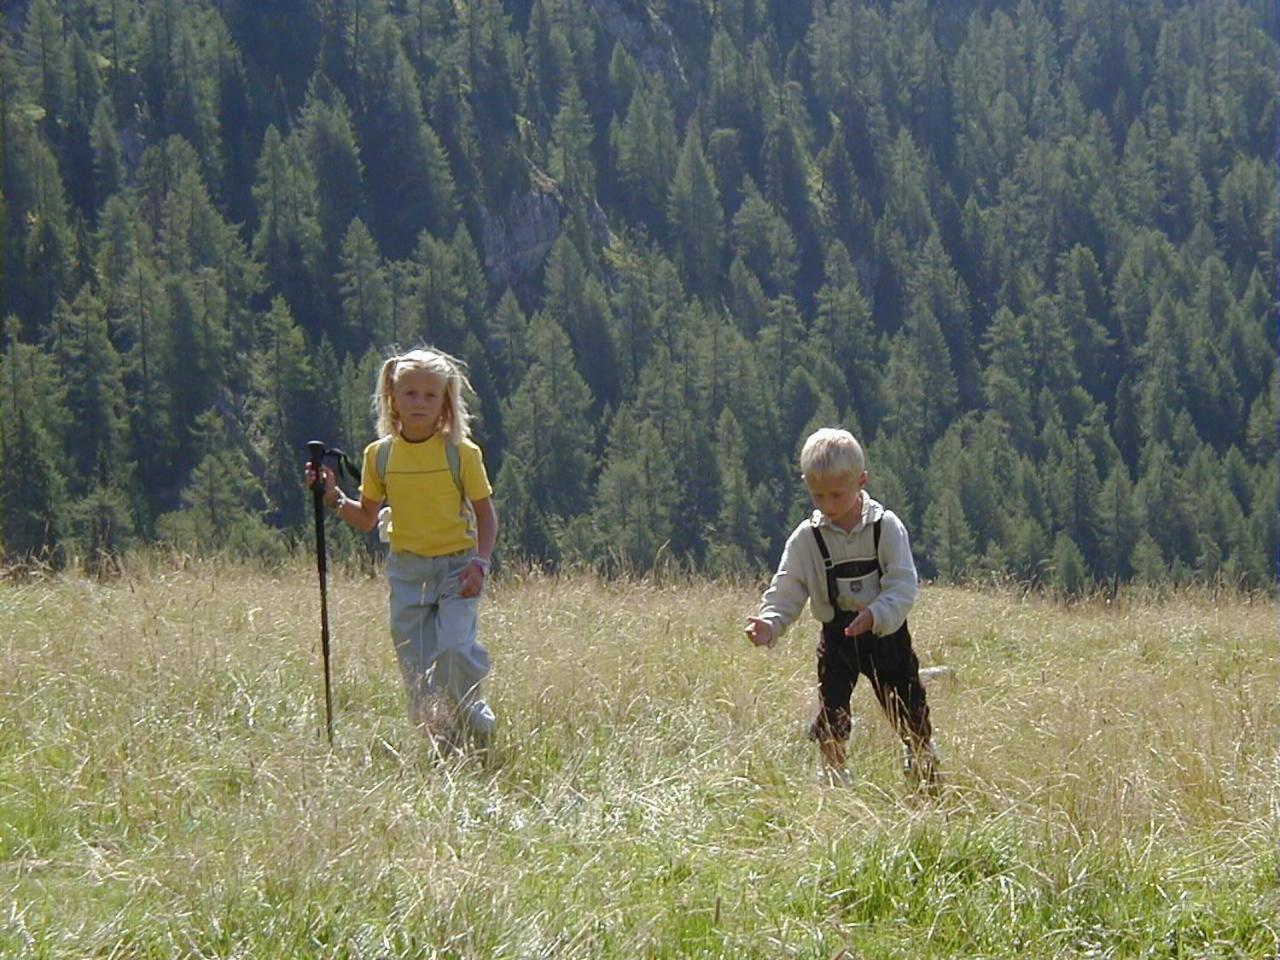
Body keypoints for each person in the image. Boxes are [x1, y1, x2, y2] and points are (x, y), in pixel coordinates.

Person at [306, 347, 498, 756]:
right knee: (417, 669)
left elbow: (486, 515)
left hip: (457, 569)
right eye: (410, 393)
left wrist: (480, 564)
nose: (420, 403)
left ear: (446, 402)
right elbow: (366, 517)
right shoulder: (381, 455)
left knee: (453, 651)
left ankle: (477, 732)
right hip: (407, 573)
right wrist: (331, 496)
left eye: (431, 395)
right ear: (392, 396)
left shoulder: (461, 453)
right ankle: (442, 747)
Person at [745, 427, 938, 786]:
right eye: (818, 495)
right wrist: (770, 623)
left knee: (906, 701)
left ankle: (922, 760)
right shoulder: (807, 538)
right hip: (838, 637)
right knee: (831, 708)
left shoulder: (885, 528)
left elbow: (903, 584)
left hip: (886, 635)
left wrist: (876, 615)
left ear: (862, 481)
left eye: (838, 494)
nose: (828, 505)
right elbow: (788, 586)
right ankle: (833, 775)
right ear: (806, 484)